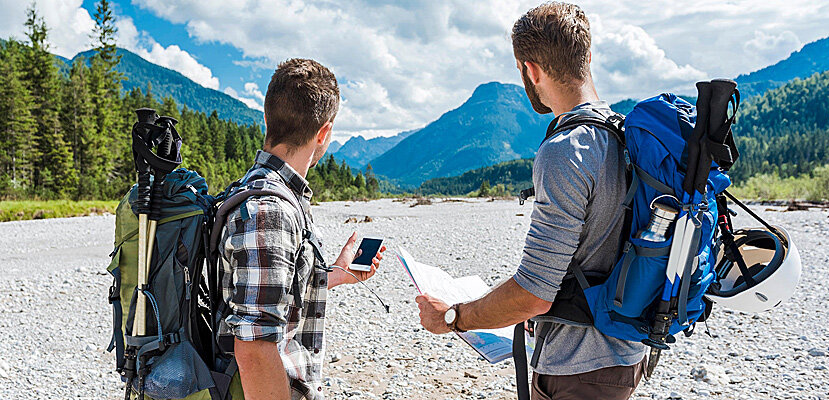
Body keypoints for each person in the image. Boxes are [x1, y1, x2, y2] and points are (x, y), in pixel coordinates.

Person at [415, 3, 646, 399]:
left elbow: (534, 293)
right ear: (588, 58)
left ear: (531, 70)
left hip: (579, 367)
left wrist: (453, 316)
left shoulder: (566, 150)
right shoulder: (626, 137)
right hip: (626, 353)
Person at [218, 58, 386, 400]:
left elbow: (267, 289)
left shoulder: (260, 192)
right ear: (323, 133)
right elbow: (254, 346)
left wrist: (332, 275)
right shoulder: (271, 210)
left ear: (267, 120)